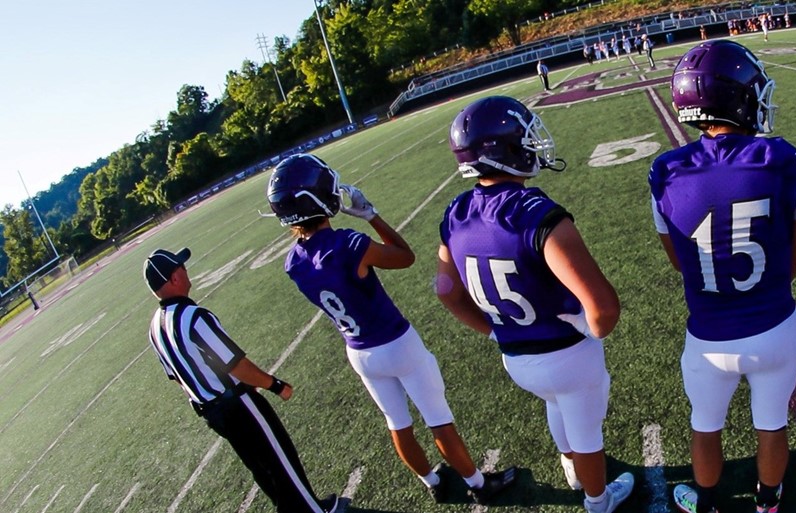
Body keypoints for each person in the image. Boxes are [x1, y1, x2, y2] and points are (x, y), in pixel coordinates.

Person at [266, 154, 516, 505]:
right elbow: (404, 255)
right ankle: (477, 483)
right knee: (437, 418)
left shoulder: (293, 263)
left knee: (397, 423)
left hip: (358, 351)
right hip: (397, 343)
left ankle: (431, 480)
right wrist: (371, 215)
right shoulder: (347, 244)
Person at [436, 96, 635, 513]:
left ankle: (570, 465)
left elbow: (445, 291)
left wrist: (492, 329)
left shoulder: (455, 213)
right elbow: (604, 309)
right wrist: (590, 326)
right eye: (524, 136)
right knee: (586, 432)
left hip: (516, 359)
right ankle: (598, 500)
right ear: (503, 149)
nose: (533, 142)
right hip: (567, 355)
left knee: (554, 403)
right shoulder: (536, 214)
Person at [654, 40, 796, 513]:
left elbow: (679, 260)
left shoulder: (664, 172)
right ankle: (768, 501)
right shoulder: (784, 160)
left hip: (708, 334)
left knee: (705, 423)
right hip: (774, 323)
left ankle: (707, 501)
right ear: (736, 96)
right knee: (772, 422)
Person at [144, 247, 337, 513]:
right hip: (237, 404)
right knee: (280, 461)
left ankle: (298, 508)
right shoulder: (194, 318)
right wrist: (275, 385)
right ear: (173, 279)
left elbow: (176, 378)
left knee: (262, 468)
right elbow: (235, 364)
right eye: (181, 268)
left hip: (213, 412)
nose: (187, 271)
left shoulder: (155, 327)